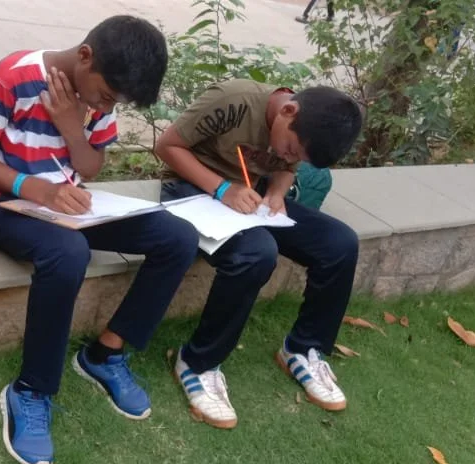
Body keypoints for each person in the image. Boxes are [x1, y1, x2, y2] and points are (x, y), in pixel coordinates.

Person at [0, 15, 199, 464]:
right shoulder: (12, 76)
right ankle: (31, 390)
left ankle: (106, 354)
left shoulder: (97, 97)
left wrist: (73, 124)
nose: (107, 105)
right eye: (107, 97)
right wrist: (39, 190)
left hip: (70, 203)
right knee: (68, 254)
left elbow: (89, 167)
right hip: (3, 203)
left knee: (177, 236)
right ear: (85, 56)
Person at [155, 79, 364, 429]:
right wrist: (223, 189)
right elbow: (167, 145)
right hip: (190, 189)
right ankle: (197, 363)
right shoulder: (232, 100)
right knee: (257, 253)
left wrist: (279, 193)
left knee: (340, 243)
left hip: (250, 197)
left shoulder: (300, 129)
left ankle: (301, 349)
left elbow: (284, 169)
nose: (290, 157)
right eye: (291, 148)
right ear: (287, 111)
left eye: (300, 157)